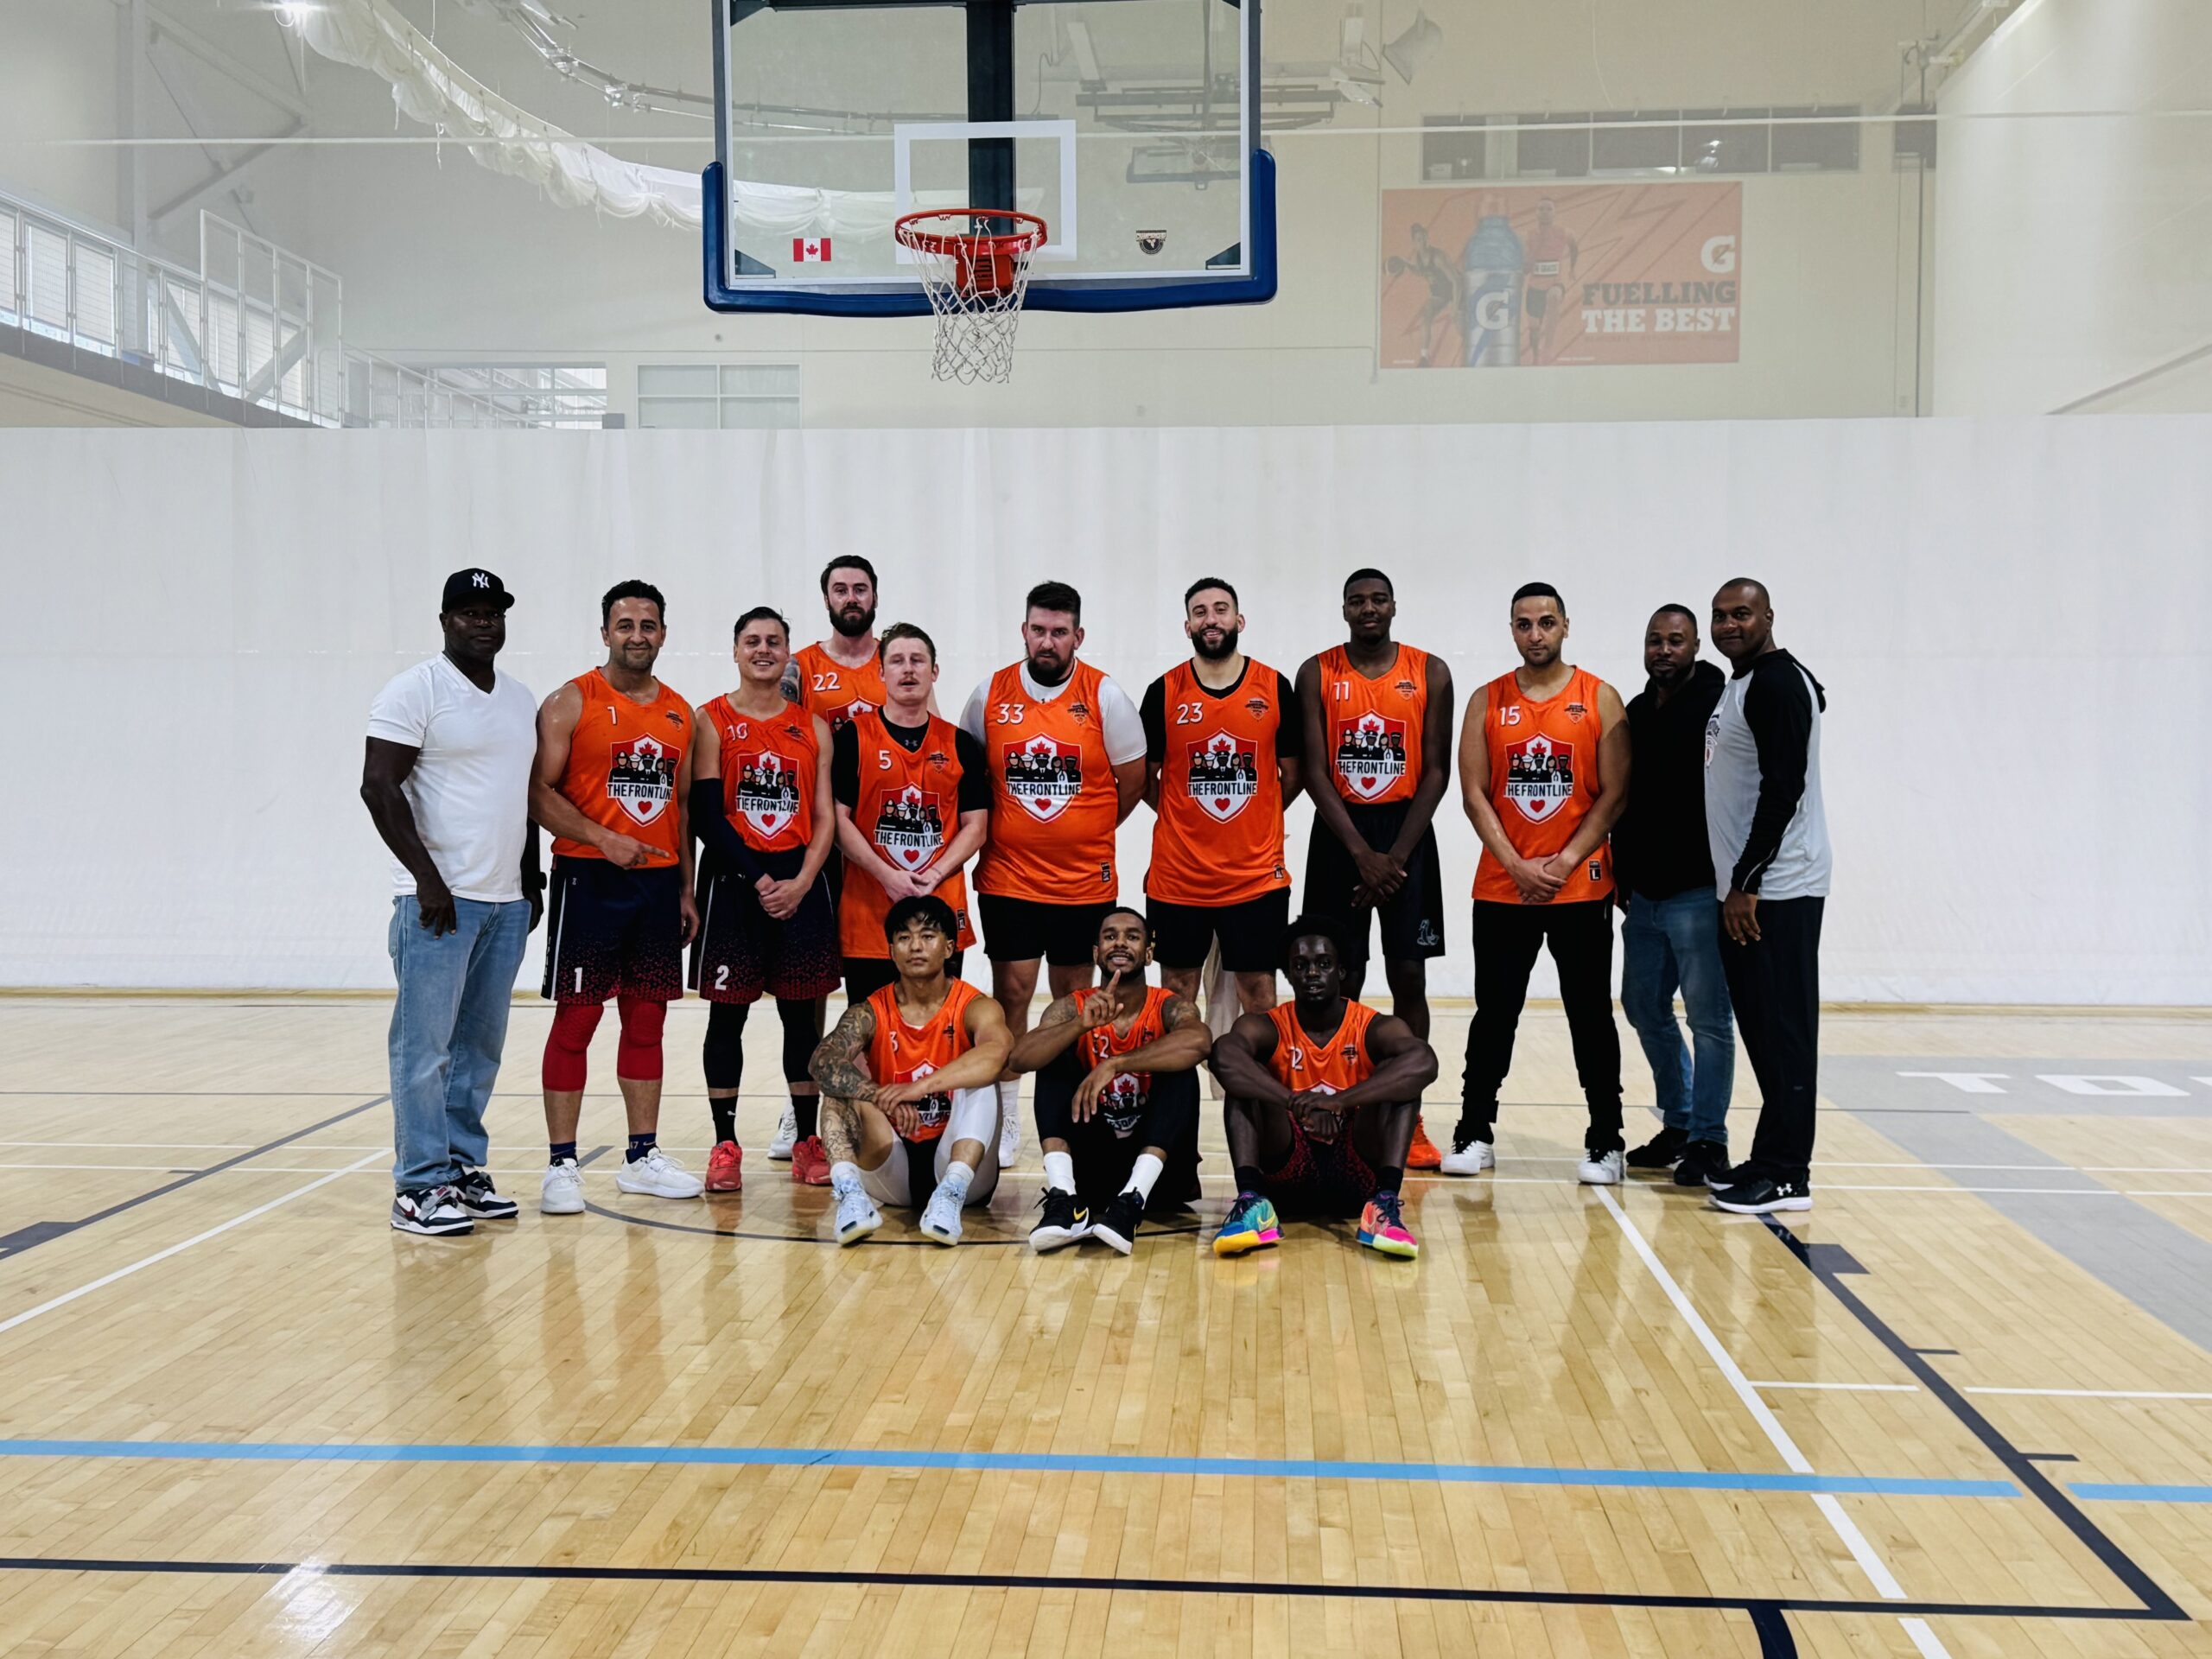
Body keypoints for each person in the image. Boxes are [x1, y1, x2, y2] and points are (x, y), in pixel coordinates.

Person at [360, 568, 540, 1236]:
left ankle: (461, 1170)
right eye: (469, 612)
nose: (483, 623)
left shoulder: (518, 699)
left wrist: (531, 879)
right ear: (444, 622)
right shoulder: (415, 691)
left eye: (493, 612)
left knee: (477, 1051)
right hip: (438, 904)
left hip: (504, 903)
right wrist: (427, 879)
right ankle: (418, 1186)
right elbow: (378, 787)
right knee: (425, 1050)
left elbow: (522, 797)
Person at [529, 580, 704, 1213]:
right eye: (624, 625)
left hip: (656, 886)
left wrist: (686, 888)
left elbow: (681, 806)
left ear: (663, 634)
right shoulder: (569, 701)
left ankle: (641, 1157)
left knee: (647, 1020)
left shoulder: (681, 713)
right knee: (577, 1019)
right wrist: (602, 838)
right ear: (605, 633)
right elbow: (537, 792)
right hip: (588, 879)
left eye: (647, 625)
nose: (636, 635)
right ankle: (561, 1164)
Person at [1447, 582, 1630, 1184]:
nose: (1535, 634)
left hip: (1579, 887)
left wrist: (1565, 862)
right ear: (1512, 630)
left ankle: (1607, 1139)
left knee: (1589, 1014)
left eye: (1546, 622)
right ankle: (1475, 1131)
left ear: (1565, 626)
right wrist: (1518, 866)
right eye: (1524, 624)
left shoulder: (1599, 697)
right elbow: (1473, 794)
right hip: (1504, 887)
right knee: (1494, 1014)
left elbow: (1614, 794)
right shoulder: (1486, 699)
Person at [963, 581, 1148, 1167]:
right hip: (1009, 878)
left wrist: (1084, 829)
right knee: (1012, 997)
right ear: (1024, 631)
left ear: (1078, 636)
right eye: (1039, 630)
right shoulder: (989, 694)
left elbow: (1133, 781)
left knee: (1073, 1003)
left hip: (1082, 882)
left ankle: (1070, 1113)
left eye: (1059, 632)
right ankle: (1007, 1116)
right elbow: (971, 777)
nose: (1048, 641)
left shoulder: (1106, 695)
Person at [1295, 569, 1453, 1168]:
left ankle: (1408, 1113)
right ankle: (1341, 1105)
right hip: (1341, 835)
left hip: (1406, 833)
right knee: (1342, 978)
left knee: (1408, 975)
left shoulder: (1430, 671)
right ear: (1344, 610)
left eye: (1378, 599)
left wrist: (1395, 858)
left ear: (1393, 606)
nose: (1368, 608)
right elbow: (1315, 771)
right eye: (1357, 601)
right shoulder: (1317, 672)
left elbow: (1435, 771)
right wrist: (1362, 854)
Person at [690, 607, 840, 1192]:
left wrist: (801, 881)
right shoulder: (711, 719)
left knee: (801, 1018)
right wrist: (759, 880)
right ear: (735, 651)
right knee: (727, 1016)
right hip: (734, 883)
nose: (763, 650)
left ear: (787, 654)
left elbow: (824, 817)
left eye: (774, 641)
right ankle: (725, 1143)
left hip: (799, 883)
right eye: (752, 641)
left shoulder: (814, 727)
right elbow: (707, 816)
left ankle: (806, 1139)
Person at [1703, 579, 1831, 1217]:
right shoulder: (1753, 680)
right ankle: (1771, 1156)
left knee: (1784, 1032)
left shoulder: (1776, 683)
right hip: (1754, 890)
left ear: (1769, 617)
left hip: (1776, 891)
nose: (1729, 625)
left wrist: (1746, 882)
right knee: (1764, 1029)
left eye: (1742, 614)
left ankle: (1788, 1173)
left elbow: (1784, 790)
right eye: (1720, 616)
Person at [1209, 918, 1436, 1260]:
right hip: (1285, 1171)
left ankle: (1384, 1203)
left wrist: (1339, 1103)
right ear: (1288, 975)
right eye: (1300, 966)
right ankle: (1252, 1202)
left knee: (1401, 1077)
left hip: (1356, 1173)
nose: (1312, 973)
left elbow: (1424, 1062)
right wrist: (1294, 1102)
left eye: (1323, 963)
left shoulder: (1371, 1026)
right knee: (1245, 1073)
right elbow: (1223, 1057)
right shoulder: (1267, 1025)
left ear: (1341, 971)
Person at [807, 894, 1014, 1246]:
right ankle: (851, 1196)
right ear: (891, 951)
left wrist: (919, 1088)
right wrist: (879, 1095)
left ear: (949, 948)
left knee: (983, 1080)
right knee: (839, 1086)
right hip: (891, 1167)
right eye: (904, 938)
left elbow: (998, 1053)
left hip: (961, 1163)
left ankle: (949, 1195)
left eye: (927, 936)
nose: (915, 946)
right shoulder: (870, 1010)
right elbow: (822, 1060)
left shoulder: (975, 1005)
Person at [1140, 577, 1301, 1019]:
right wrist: (1180, 813)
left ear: (1239, 620)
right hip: (1179, 875)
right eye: (1200, 612)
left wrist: (1261, 814)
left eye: (1220, 609)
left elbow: (1294, 773)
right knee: (1176, 994)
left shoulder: (1274, 686)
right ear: (1187, 627)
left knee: (1260, 993)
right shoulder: (1163, 691)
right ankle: (1181, 1070)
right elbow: (1143, 778)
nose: (1211, 619)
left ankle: (1252, 1071)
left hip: (1255, 876)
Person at [1006, 909, 1212, 1255]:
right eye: (1110, 936)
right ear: (1095, 952)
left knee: (1181, 1066)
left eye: (1132, 936)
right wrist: (1078, 1027)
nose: (1120, 943)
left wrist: (1116, 1064)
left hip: (1159, 1179)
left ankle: (1132, 1200)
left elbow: (1201, 1042)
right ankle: (1063, 1198)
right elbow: (1019, 1059)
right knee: (1051, 1055)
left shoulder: (1168, 1006)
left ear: (1149, 953)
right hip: (1094, 1175)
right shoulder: (1072, 1007)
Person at [1616, 605, 1733, 1188]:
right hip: (1643, 895)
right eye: (1654, 640)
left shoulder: (1720, 705)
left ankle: (1710, 1139)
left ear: (1695, 646)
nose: (1663, 650)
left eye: (1676, 641)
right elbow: (1624, 797)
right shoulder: (1637, 712)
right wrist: (1620, 868)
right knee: (1643, 1007)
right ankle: (1680, 1121)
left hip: (1698, 892)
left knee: (1709, 1020)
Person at [834, 622, 989, 1001]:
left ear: (934, 672)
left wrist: (935, 873)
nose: (908, 669)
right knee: (869, 1026)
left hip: (941, 908)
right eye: (897, 661)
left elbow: (977, 826)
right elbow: (838, 821)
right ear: (881, 673)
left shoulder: (960, 744)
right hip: (869, 913)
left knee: (940, 1025)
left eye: (917, 661)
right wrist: (887, 876)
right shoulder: (853, 738)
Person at [785, 556, 891, 732]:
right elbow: (779, 735)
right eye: (841, 591)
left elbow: (931, 730)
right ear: (827, 601)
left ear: (875, 598)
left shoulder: (899, 661)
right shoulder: (799, 666)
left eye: (860, 590)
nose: (851, 599)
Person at [1522, 196, 1580, 365]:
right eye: (1541, 209)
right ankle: (1536, 355)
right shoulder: (1528, 236)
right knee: (1534, 329)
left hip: (1555, 284)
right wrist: (1538, 245)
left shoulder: (1565, 233)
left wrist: (1572, 268)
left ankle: (1548, 349)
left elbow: (1574, 247)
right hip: (1534, 289)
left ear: (1555, 213)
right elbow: (1526, 269)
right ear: (1536, 213)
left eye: (1549, 209)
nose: (1545, 213)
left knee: (1554, 297)